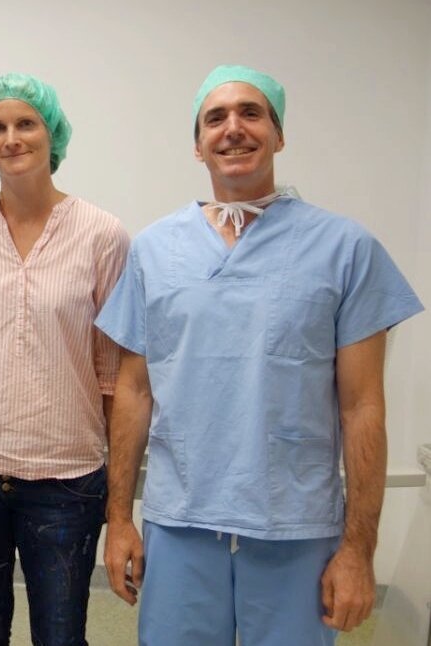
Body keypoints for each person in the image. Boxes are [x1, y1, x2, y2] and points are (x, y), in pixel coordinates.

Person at [95, 65, 424, 645]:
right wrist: (119, 518)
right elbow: (134, 391)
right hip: (181, 522)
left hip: (295, 527)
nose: (233, 128)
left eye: (252, 113)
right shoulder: (154, 250)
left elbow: (362, 406)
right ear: (197, 146)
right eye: (215, 118)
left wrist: (358, 548)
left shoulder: (344, 249)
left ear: (279, 134)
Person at [0, 73, 129, 646]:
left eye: (25, 123)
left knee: (61, 635)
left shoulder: (103, 235)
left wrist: (118, 487)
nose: (11, 137)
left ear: (52, 133)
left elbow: (112, 373)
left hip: (67, 476)